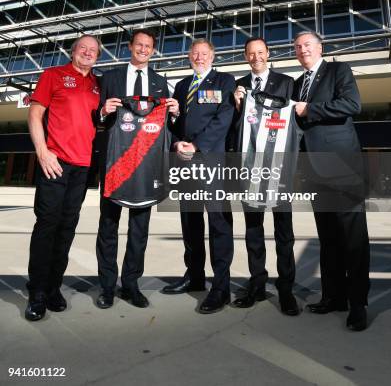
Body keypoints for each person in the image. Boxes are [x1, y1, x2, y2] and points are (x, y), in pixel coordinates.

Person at [96, 29, 179, 310]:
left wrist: (176, 112)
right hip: (115, 164)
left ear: (153, 51)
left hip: (146, 167)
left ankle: (131, 284)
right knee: (108, 227)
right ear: (130, 47)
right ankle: (107, 287)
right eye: (139, 44)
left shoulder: (160, 82)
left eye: (148, 46)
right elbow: (96, 117)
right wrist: (103, 110)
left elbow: (167, 126)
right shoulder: (110, 78)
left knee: (139, 230)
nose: (143, 49)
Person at [293, 30, 370, 331]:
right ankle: (333, 297)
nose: (302, 50)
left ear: (320, 47)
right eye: (298, 47)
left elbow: (352, 105)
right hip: (314, 168)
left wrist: (311, 109)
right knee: (328, 237)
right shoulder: (298, 84)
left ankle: (358, 303)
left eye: (307, 45)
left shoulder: (338, 70)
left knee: (352, 236)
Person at [25, 35, 101, 321]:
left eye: (93, 50)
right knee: (47, 226)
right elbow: (35, 115)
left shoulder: (98, 84)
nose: (88, 52)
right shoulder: (53, 75)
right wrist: (43, 153)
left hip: (82, 168)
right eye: (83, 48)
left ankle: (53, 287)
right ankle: (37, 292)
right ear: (73, 52)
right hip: (55, 164)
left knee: (67, 228)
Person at [161, 38, 236, 314]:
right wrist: (177, 139)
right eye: (194, 53)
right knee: (190, 221)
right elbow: (178, 120)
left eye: (204, 53)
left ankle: (221, 287)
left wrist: (197, 146)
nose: (199, 57)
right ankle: (194, 277)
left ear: (213, 56)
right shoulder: (181, 86)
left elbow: (223, 118)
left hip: (211, 161)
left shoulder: (224, 82)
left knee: (218, 223)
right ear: (189, 57)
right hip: (185, 162)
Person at [230, 37, 300, 316]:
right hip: (250, 168)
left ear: (268, 53)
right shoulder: (240, 85)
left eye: (260, 52)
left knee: (284, 233)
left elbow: (295, 122)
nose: (256, 57)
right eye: (251, 53)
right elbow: (236, 127)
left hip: (279, 168)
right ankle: (257, 284)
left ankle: (286, 291)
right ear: (246, 56)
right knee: (253, 232)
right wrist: (236, 106)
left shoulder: (287, 82)